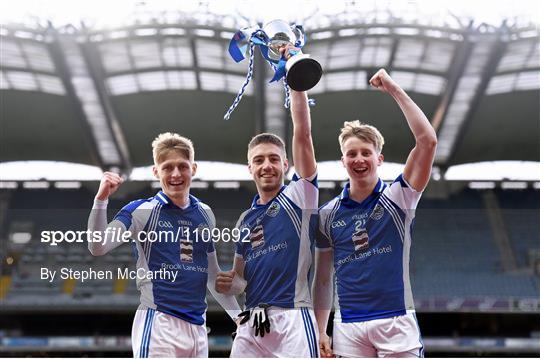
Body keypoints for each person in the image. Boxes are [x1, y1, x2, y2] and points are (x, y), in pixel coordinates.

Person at [313, 68, 437, 358]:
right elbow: (322, 279)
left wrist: (393, 88)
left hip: (396, 321)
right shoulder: (327, 214)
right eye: (352, 154)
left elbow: (428, 141)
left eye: (366, 153)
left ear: (378, 158)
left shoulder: (399, 197)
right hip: (349, 328)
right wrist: (321, 330)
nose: (359, 159)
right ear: (343, 161)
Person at [87, 132, 241, 358]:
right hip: (159, 324)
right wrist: (101, 200)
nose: (176, 174)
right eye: (168, 167)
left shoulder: (205, 214)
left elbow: (211, 276)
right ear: (156, 172)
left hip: (198, 329)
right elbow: (97, 246)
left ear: (194, 169)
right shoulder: (141, 210)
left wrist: (239, 318)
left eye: (182, 166)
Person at [214, 47, 320, 358]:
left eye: (274, 159)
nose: (266, 166)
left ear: (286, 164)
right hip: (253, 320)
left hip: (293, 316)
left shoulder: (300, 196)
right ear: (250, 168)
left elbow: (303, 135)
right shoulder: (245, 220)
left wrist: (294, 78)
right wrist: (228, 284)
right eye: (258, 160)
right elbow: (241, 280)